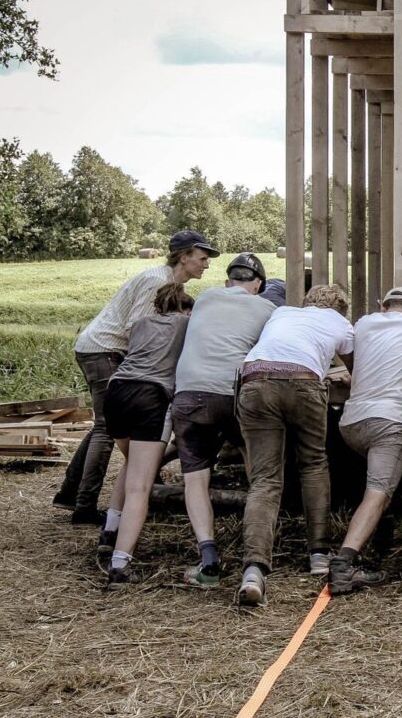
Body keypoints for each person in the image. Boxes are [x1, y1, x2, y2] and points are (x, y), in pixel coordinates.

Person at [55, 230, 218, 524]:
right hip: (105, 350)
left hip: (100, 348)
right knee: (107, 428)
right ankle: (84, 508)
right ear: (184, 257)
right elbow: (136, 330)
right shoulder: (158, 281)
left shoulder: (167, 281)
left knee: (102, 426)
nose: (207, 265)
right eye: (203, 258)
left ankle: (69, 495)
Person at [235, 284, 355, 607]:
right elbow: (357, 368)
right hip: (303, 383)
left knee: (265, 478)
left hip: (255, 379)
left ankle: (254, 569)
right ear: (341, 308)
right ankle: (318, 554)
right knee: (313, 463)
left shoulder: (282, 312)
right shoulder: (340, 322)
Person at [169, 253, 275, 587]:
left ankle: (209, 560)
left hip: (188, 392)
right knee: (255, 466)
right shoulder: (266, 309)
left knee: (195, 480)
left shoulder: (206, 299)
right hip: (231, 393)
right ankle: (257, 549)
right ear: (257, 283)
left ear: (228, 280)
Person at [329, 286, 402, 597]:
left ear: (383, 305)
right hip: (388, 420)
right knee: (378, 492)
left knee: (377, 486)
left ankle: (380, 536)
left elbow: (358, 363)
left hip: (351, 422)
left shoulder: (363, 324)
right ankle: (344, 565)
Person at [102, 284, 194, 585]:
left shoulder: (141, 323)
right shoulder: (186, 323)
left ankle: (109, 531)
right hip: (150, 394)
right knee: (140, 486)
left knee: (132, 464)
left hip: (116, 391)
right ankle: (120, 563)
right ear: (185, 308)